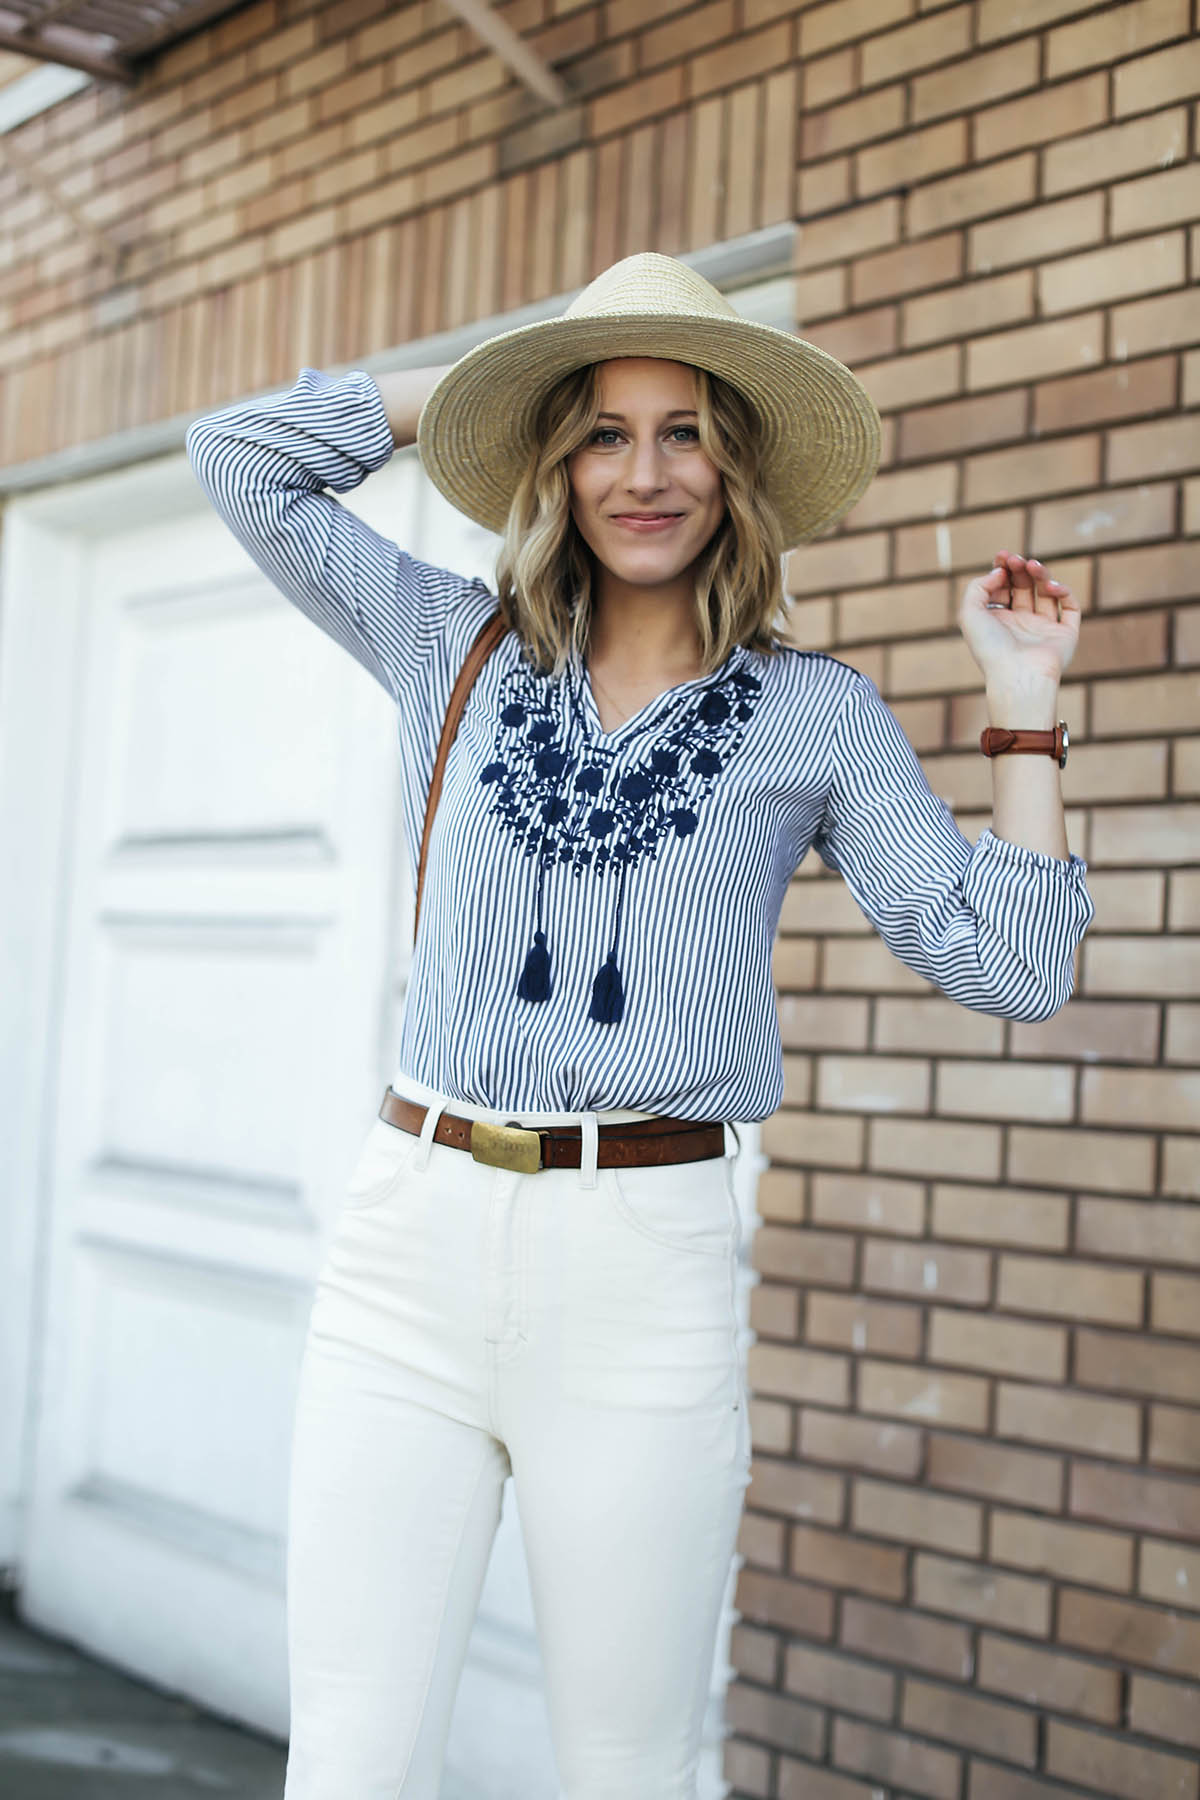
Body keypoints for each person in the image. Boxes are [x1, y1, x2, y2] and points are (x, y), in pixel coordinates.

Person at [185, 251, 1094, 1800]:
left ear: (735, 466)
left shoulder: (817, 715)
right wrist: (489, 382)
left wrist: (1020, 702)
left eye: (685, 430)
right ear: (559, 461)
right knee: (347, 1757)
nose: (645, 472)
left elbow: (1009, 966)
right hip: (408, 1243)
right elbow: (239, 459)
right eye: (601, 431)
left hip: (644, 1259)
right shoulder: (446, 642)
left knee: (628, 1767)